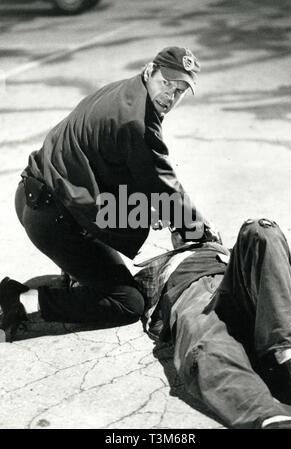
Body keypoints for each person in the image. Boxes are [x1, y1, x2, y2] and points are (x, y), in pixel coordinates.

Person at [0, 46, 218, 341]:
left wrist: (159, 213)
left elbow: (134, 180)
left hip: (37, 197)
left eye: (179, 91)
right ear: (149, 71)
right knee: (128, 303)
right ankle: (24, 301)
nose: (170, 95)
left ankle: (78, 273)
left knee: (139, 214)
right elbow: (163, 185)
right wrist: (198, 229)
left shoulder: (126, 90)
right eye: (166, 83)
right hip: (54, 219)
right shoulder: (136, 121)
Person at [134, 217, 291, 429]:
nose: (189, 231)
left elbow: (273, 271)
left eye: (198, 226)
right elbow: (124, 297)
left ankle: (286, 360)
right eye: (181, 230)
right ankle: (271, 419)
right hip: (195, 297)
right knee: (210, 345)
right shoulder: (155, 265)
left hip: (246, 296)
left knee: (260, 228)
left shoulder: (232, 253)